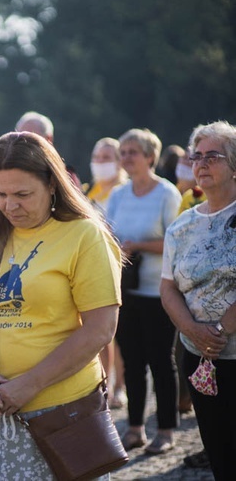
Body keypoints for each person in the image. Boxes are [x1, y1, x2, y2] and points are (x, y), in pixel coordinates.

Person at [0, 131, 121, 479]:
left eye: (23, 194)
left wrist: (29, 385)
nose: (10, 205)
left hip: (64, 414)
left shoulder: (84, 235)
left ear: (53, 184)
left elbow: (101, 328)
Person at [160, 121, 236, 480]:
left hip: (230, 350)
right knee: (218, 451)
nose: (202, 163)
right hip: (198, 358)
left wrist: (218, 331)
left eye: (213, 156)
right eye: (197, 156)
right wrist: (192, 330)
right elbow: (168, 288)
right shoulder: (181, 226)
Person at [106, 128, 182, 454]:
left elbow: (176, 240)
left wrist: (138, 245)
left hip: (158, 291)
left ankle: (165, 430)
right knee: (133, 361)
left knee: (161, 361)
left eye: (133, 151)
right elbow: (106, 233)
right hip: (126, 290)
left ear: (150, 156)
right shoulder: (118, 195)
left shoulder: (166, 193)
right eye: (122, 152)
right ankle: (135, 428)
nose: (126, 158)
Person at [84, 137, 127, 408]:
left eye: (107, 157)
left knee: (116, 332)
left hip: (119, 263)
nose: (100, 162)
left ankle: (118, 386)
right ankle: (102, 382)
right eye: (97, 156)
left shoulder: (124, 191)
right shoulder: (88, 190)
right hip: (90, 264)